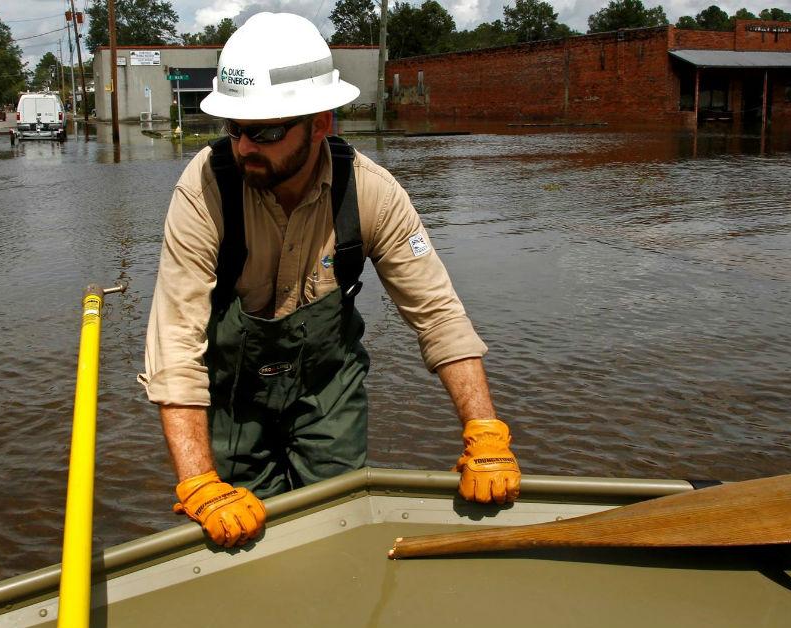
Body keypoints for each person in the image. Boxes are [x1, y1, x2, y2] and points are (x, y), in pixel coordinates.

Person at [141, 12, 520, 548]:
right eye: (235, 129)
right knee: (245, 543)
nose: (245, 146)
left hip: (326, 388)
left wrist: (484, 431)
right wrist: (197, 479)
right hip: (233, 396)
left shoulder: (372, 193)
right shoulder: (203, 190)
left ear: (322, 122)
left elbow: (438, 316)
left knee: (339, 527)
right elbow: (176, 344)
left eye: (266, 131)